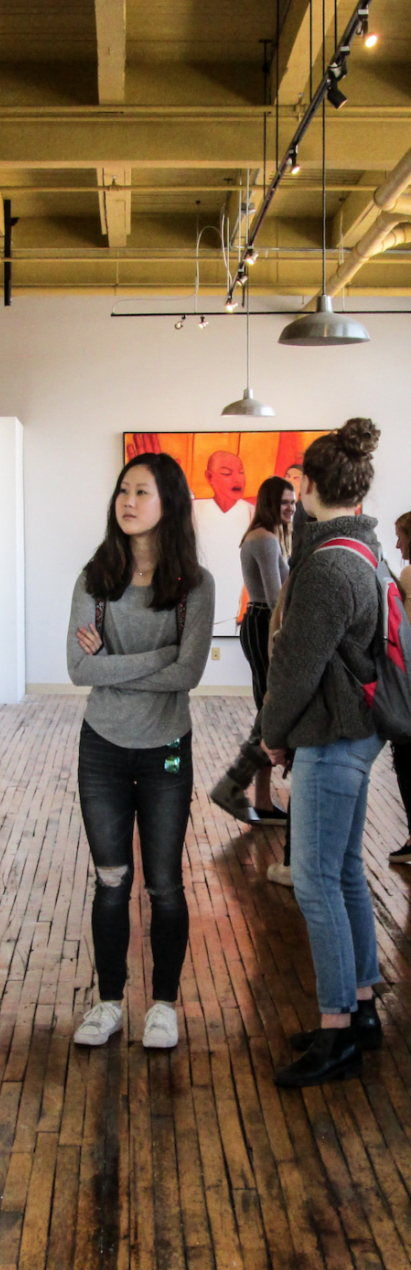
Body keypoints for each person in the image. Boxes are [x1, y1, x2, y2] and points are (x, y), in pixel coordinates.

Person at [67, 452, 214, 1051]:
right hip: (101, 748)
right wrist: (160, 657)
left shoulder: (195, 586)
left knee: (164, 884)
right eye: (123, 490)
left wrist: (114, 663)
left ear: (168, 503)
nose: (127, 502)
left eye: (141, 492)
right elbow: (79, 670)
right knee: (110, 881)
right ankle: (108, 1002)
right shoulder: (95, 578)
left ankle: (163, 1006)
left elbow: (190, 673)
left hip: (166, 752)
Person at [263, 419, 385, 1088]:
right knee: (343, 872)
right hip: (356, 732)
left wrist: (272, 733)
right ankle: (361, 1009)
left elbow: (295, 670)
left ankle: (336, 1032)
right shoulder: (364, 551)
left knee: (314, 881)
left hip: (331, 736)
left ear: (307, 483)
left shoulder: (328, 566)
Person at [210, 477, 296, 844]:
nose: (291, 508)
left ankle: (258, 799)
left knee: (267, 708)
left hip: (261, 621)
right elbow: (277, 598)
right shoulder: (265, 539)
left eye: (293, 502)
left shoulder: (264, 536)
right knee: (269, 707)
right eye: (285, 502)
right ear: (269, 503)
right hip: (265, 623)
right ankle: (233, 786)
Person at [192, 448, 253, 635]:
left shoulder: (252, 513)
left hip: (234, 613)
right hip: (196, 608)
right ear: (209, 477)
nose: (237, 479)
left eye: (241, 472)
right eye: (227, 473)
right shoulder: (193, 510)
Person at [387, 510, 411, 864]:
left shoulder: (408, 575)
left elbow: (403, 633)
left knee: (406, 758)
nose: (397, 545)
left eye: (401, 536)